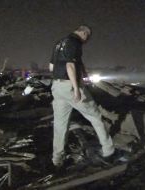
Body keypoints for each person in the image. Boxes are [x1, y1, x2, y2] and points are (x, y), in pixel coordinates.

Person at [49, 25, 115, 168]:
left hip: (57, 87)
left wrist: (84, 74)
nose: (86, 41)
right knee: (95, 117)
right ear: (84, 33)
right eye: (87, 38)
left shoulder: (60, 43)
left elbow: (51, 67)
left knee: (60, 125)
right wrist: (77, 88)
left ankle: (57, 160)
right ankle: (109, 151)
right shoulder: (74, 42)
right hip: (70, 86)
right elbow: (70, 66)